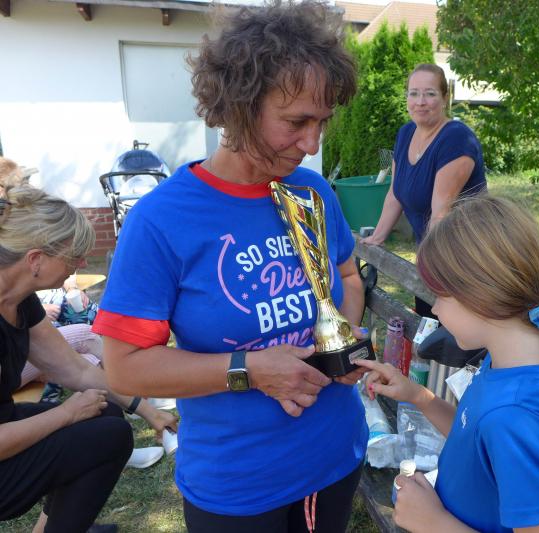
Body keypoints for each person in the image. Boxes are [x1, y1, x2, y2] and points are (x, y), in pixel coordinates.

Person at [92, 3, 369, 531]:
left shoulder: (311, 192)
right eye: (296, 122)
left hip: (335, 457)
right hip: (239, 485)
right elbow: (124, 367)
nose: (312, 144)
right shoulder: (162, 220)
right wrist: (250, 370)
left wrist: (340, 343)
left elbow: (349, 277)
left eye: (322, 122)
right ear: (239, 107)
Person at [357, 196, 539, 533]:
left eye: (441, 296)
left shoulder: (516, 418)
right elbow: (474, 440)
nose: (435, 309)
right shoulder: (511, 361)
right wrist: (417, 396)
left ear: (480, 296)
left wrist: (434, 523)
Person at [0, 180, 177, 532]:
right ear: (35, 260)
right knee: (108, 436)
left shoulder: (19, 300)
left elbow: (75, 370)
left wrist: (148, 411)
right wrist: (66, 413)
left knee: (104, 411)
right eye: (73, 256)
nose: (81, 262)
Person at [361, 63, 487, 316]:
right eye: (414, 93)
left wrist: (431, 268)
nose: (420, 101)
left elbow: (441, 212)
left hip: (467, 260)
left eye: (430, 93)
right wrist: (378, 236)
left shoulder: (456, 138)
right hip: (431, 254)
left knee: (452, 332)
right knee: (428, 326)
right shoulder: (406, 133)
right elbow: (396, 192)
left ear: (444, 98)